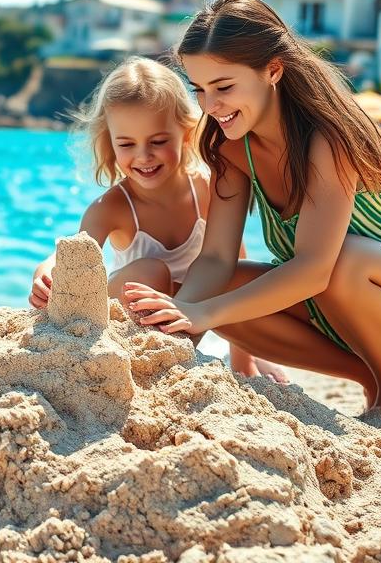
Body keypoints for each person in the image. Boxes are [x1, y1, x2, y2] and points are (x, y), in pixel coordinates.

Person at [123, 0, 381, 419]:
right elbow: (217, 258)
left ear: (273, 70)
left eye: (224, 87)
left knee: (341, 259)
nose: (210, 106)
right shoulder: (230, 146)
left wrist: (202, 311)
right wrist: (180, 328)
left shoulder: (326, 137)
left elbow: (316, 267)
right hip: (330, 303)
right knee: (201, 285)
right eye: (200, 90)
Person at [29, 56, 287, 382]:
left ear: (187, 133)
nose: (143, 156)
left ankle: (210, 357)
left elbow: (235, 265)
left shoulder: (205, 188)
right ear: (110, 143)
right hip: (127, 319)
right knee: (155, 271)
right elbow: (71, 255)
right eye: (127, 144)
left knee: (227, 274)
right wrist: (45, 274)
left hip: (185, 322)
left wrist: (244, 359)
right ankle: (146, 358)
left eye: (158, 141)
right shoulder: (111, 207)